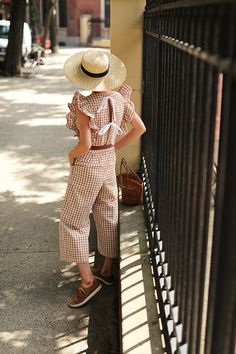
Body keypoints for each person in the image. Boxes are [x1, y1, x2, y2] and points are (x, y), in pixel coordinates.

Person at [59, 50, 146, 308]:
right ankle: (106, 271)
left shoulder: (84, 104)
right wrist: (115, 147)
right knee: (107, 213)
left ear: (84, 76)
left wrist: (71, 156)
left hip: (87, 164)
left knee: (72, 221)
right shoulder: (120, 99)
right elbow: (140, 128)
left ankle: (88, 282)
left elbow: (84, 145)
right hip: (107, 161)